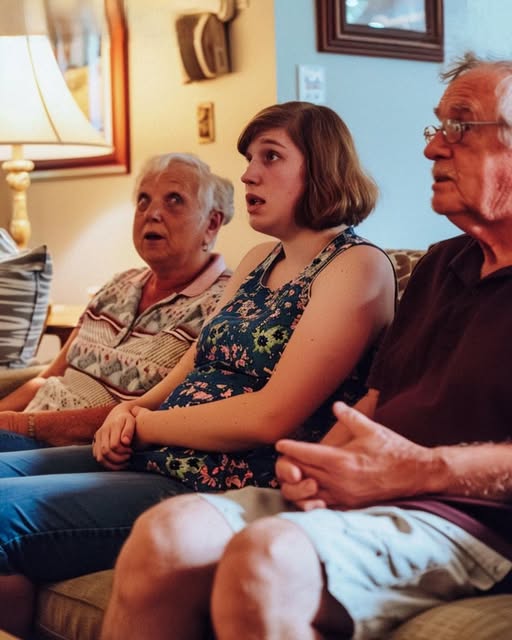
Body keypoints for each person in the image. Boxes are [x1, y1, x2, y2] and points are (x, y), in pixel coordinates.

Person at [99, 54, 512, 640]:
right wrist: (315, 465)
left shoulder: (356, 265)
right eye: (436, 127)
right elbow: (375, 401)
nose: (431, 148)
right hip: (377, 490)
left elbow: (278, 413)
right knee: (164, 537)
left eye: (460, 127)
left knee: (264, 559)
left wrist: (421, 470)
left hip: (470, 516)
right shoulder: (443, 265)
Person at [0, 101, 395, 638]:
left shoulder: (357, 265)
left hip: (222, 481)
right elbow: (195, 361)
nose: (249, 174)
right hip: (159, 456)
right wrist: (132, 409)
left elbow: (270, 416)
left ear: (322, 168)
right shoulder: (259, 260)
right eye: (249, 158)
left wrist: (142, 424)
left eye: (271, 157)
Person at [0, 152, 233, 451]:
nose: (152, 213)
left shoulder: (224, 305)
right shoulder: (118, 284)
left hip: (82, 451)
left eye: (174, 200)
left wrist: (20, 424)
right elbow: (49, 377)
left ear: (212, 223)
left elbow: (159, 413)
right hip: (25, 433)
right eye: (144, 200)